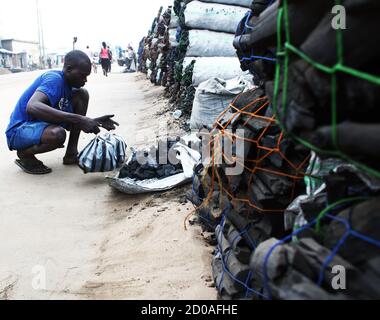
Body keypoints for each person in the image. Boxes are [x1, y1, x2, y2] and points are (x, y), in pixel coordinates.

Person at [5, 50, 119, 175]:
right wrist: (80, 119)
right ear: (69, 69)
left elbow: (68, 119)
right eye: (82, 75)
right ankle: (25, 154)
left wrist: (94, 121)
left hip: (38, 125)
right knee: (58, 134)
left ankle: (71, 153)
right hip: (18, 131)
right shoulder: (54, 79)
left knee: (82, 94)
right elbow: (32, 106)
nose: (85, 80)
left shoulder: (68, 88)